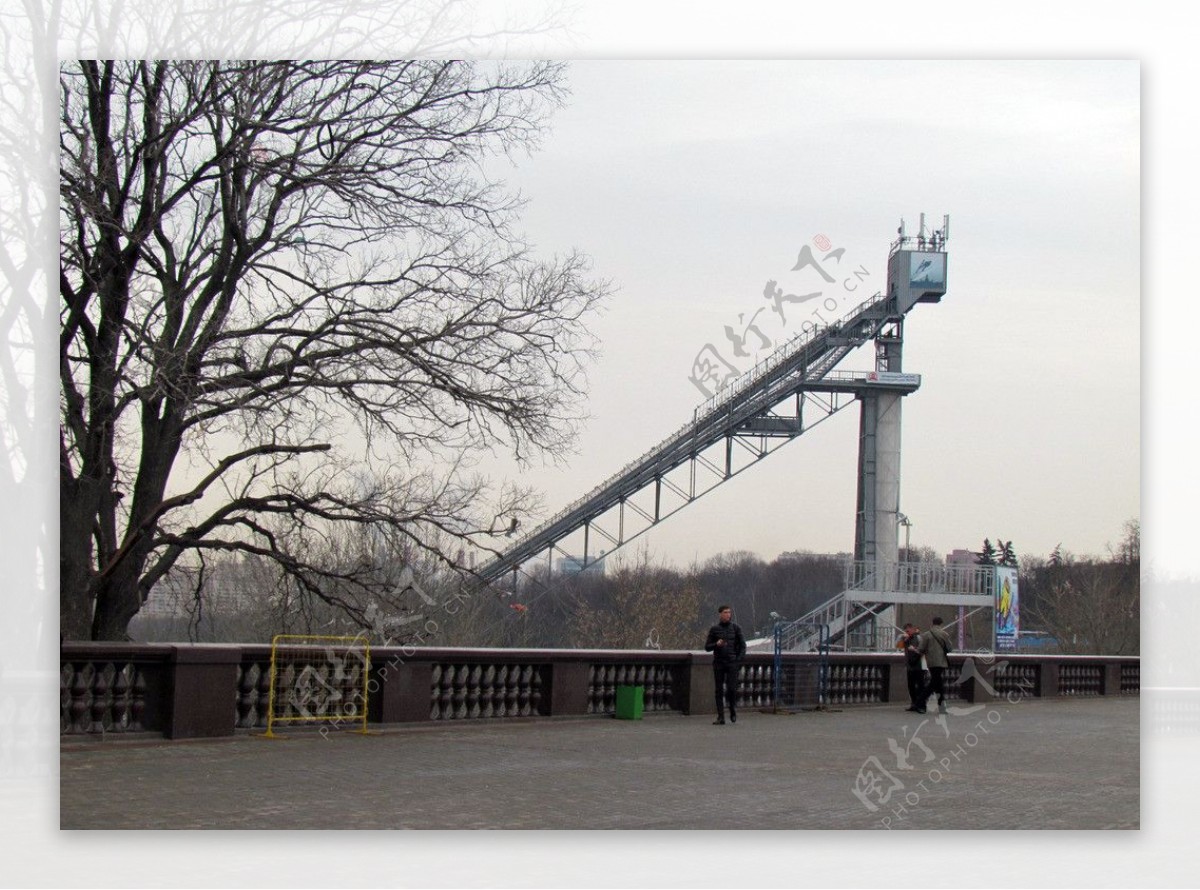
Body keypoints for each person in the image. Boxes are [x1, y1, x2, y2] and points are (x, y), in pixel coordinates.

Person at [704, 605, 746, 725]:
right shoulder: (714, 629)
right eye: (725, 612)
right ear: (720, 614)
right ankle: (721, 716)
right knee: (719, 690)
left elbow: (743, 646)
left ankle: (732, 709)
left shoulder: (736, 628)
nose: (728, 614)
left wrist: (738, 660)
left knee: (732, 689)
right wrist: (716, 644)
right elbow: (707, 647)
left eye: (729, 612)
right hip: (719, 663)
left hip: (732, 663)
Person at [918, 616, 954, 714]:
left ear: (932, 623)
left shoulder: (926, 635)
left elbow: (921, 649)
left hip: (930, 662)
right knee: (936, 683)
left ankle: (922, 703)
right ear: (941, 624)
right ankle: (922, 702)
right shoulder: (944, 634)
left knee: (937, 683)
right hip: (941, 662)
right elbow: (950, 648)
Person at [896, 622, 926, 713]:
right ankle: (914, 704)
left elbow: (924, 650)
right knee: (911, 686)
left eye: (908, 631)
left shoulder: (919, 638)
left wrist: (914, 650)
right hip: (910, 665)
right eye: (906, 631)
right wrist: (903, 638)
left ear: (912, 629)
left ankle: (922, 706)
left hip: (919, 665)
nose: (907, 632)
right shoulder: (905, 639)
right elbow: (898, 647)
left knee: (920, 686)